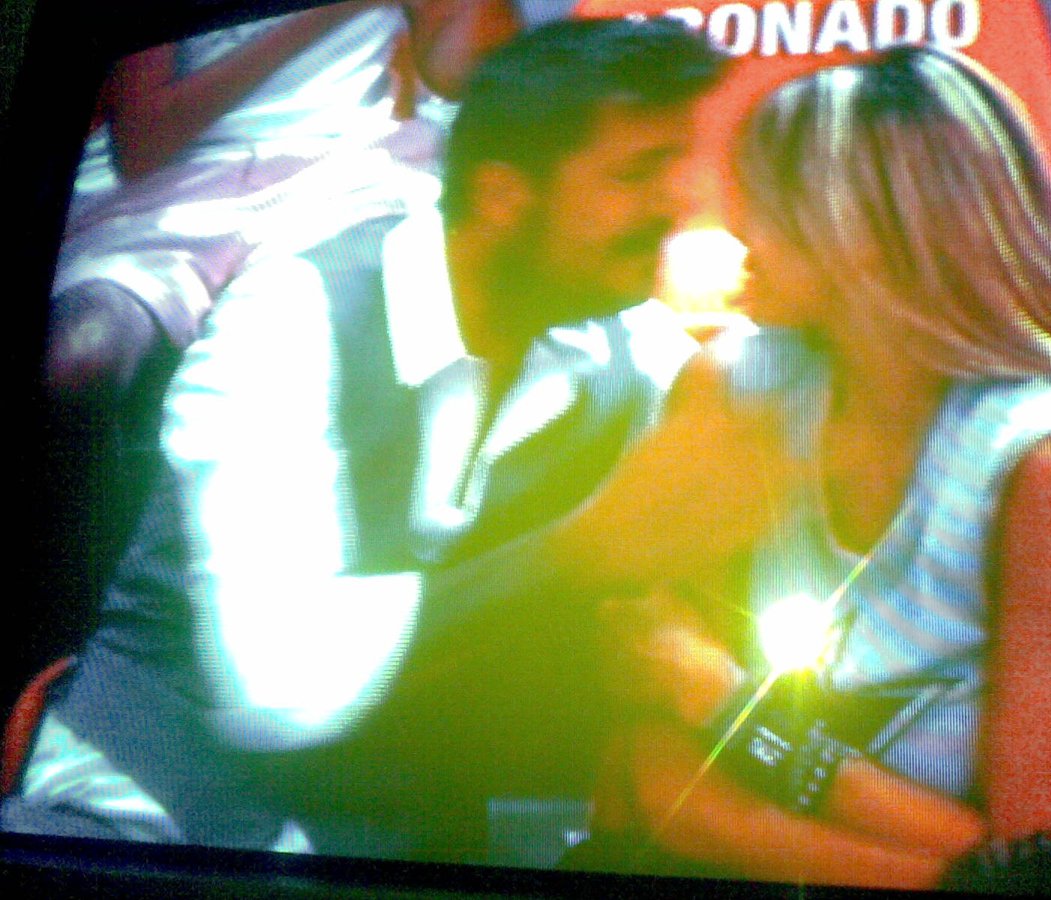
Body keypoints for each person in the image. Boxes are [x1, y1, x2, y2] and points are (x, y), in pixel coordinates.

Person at [4, 17, 797, 863]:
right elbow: (283, 684)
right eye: (637, 173)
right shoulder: (292, 314)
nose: (675, 205)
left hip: (383, 846)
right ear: (504, 197)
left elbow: (770, 393)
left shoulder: (618, 344)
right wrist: (584, 549)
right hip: (134, 817)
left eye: (676, 168)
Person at [581, 45, 1051, 893]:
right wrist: (947, 862)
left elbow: (1040, 873)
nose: (736, 232)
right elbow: (661, 791)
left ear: (867, 233)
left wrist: (730, 711)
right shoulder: (734, 387)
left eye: (768, 200)